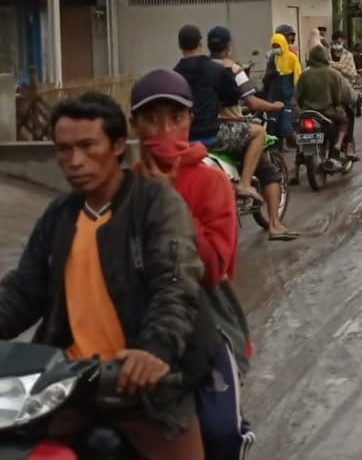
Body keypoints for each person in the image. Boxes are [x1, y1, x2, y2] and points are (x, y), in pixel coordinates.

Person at [0, 93, 218, 459]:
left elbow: (175, 283)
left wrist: (153, 351)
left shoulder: (156, 204)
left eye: (87, 146)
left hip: (145, 390)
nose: (74, 161)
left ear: (118, 146)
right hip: (66, 385)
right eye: (63, 149)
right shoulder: (60, 214)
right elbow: (23, 290)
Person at [128, 71, 257, 456]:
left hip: (207, 319)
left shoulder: (211, 182)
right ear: (135, 125)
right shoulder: (124, 187)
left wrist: (170, 204)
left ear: (188, 121)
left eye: (175, 118)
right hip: (137, 321)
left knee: (218, 433)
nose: (165, 129)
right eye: (152, 119)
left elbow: (216, 267)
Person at [203, 28, 289, 226]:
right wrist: (274, 106)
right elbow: (252, 103)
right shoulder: (233, 69)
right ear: (228, 47)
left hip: (199, 131)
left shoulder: (201, 68)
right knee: (268, 170)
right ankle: (274, 222)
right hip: (226, 131)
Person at [294, 44, 349, 162]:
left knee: (299, 128)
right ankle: (337, 146)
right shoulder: (333, 74)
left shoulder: (304, 74)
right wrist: (337, 105)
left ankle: (300, 153)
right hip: (327, 113)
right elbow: (337, 98)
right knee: (343, 121)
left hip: (307, 113)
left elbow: (298, 96)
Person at [262, 27, 301, 143]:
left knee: (286, 127)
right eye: (273, 46)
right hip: (274, 98)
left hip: (288, 98)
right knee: (272, 126)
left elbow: (298, 78)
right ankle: (277, 150)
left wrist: (295, 97)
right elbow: (266, 79)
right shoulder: (272, 59)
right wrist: (273, 73)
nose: (275, 49)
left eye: (277, 46)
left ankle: (300, 147)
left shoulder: (292, 57)